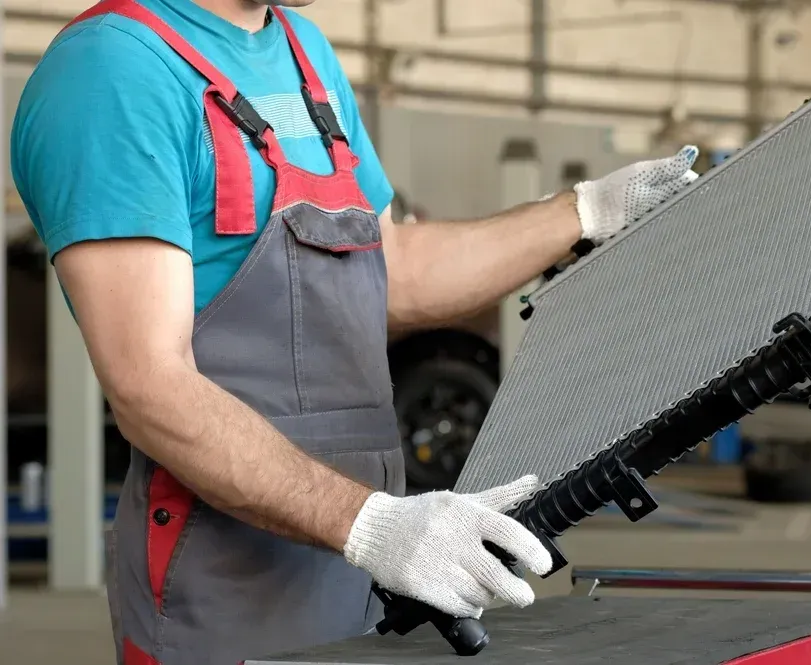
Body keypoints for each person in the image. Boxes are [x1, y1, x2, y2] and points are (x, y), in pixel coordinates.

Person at [10, 0, 699, 663]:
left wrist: (582, 211)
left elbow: (394, 267)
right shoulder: (113, 71)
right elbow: (148, 384)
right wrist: (371, 525)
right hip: (227, 575)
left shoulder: (304, 52)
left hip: (365, 554)